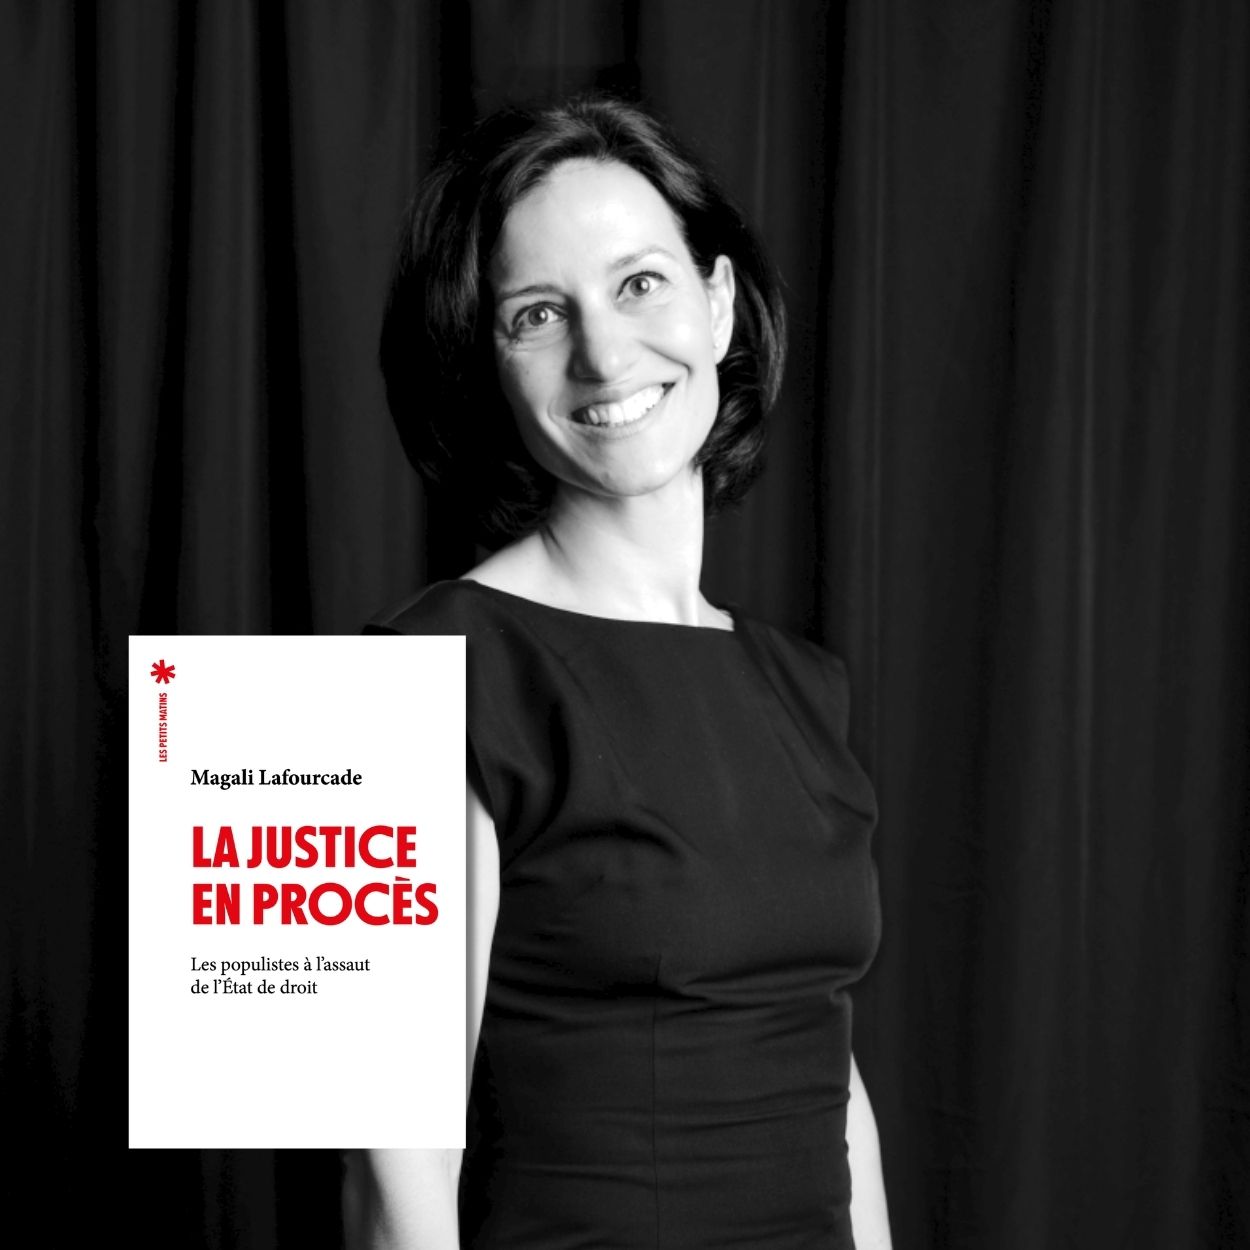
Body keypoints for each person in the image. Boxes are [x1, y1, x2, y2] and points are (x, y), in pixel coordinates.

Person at [344, 93, 892, 1249]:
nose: (602, 353)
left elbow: (828, 1079)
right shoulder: (417, 674)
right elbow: (395, 1171)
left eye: (638, 282)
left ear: (719, 303)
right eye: (538, 314)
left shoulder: (802, 685)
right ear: (487, 366)